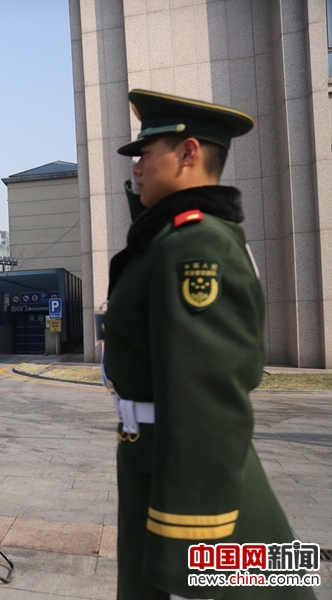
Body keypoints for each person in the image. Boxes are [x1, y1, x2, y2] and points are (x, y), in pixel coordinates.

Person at [103, 90, 316, 600]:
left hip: (197, 500)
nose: (136, 167)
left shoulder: (196, 244)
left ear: (189, 153)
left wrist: (191, 559)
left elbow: (206, 401)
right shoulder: (173, 238)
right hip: (160, 464)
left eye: (145, 153)